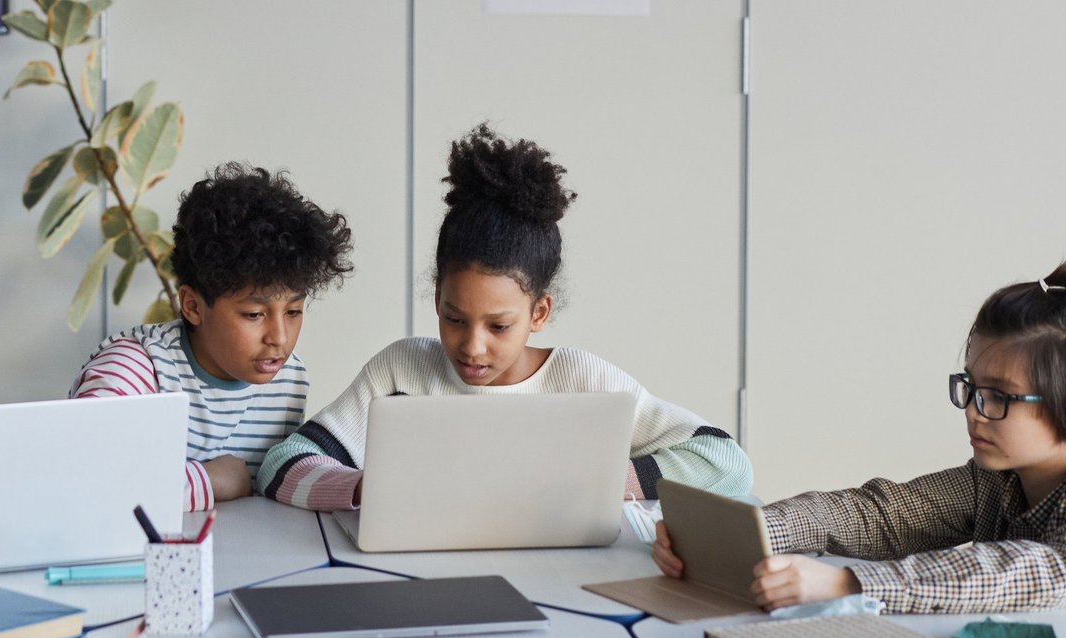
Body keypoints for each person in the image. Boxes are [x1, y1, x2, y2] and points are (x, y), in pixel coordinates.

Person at [653, 259, 1066, 638]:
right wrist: (742, 533)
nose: (973, 410)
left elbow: (1046, 573)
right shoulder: (1001, 476)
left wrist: (849, 584)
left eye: (999, 397)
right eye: (970, 387)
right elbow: (881, 516)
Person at [259, 125, 751, 509]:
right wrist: (367, 489)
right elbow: (281, 466)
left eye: (499, 326)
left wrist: (596, 481)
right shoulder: (401, 371)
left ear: (539, 312)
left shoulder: (581, 380)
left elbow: (726, 463)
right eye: (454, 319)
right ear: (436, 299)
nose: (472, 347)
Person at [72, 163, 353, 510]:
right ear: (192, 306)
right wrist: (210, 481)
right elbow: (83, 479)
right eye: (254, 314)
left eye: (294, 312)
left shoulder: (288, 378)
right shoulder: (134, 368)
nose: (279, 338)